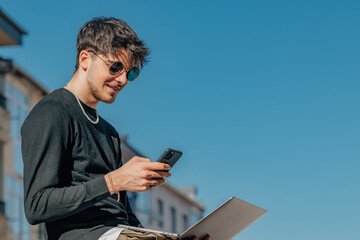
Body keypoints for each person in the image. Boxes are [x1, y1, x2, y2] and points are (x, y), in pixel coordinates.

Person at [21, 17, 209, 240]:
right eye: (115, 67)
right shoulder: (52, 112)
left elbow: (125, 216)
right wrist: (114, 180)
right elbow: (36, 205)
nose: (122, 80)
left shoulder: (109, 133)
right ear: (85, 59)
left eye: (130, 73)